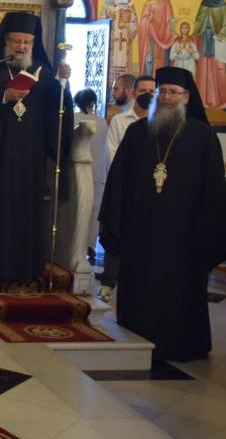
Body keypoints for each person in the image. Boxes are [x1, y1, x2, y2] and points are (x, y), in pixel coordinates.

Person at [99, 67, 226, 361]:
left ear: (187, 97)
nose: (167, 97)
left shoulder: (203, 136)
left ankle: (181, 344)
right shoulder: (136, 133)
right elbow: (118, 182)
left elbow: (213, 190)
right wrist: (116, 224)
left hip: (184, 236)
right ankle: (136, 337)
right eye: (162, 91)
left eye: (173, 92)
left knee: (179, 292)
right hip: (140, 230)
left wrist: (206, 232)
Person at [0, 11, 72, 282]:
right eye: (17, 41)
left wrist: (64, 83)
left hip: (30, 157)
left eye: (27, 42)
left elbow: (58, 109)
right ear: (6, 40)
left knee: (26, 212)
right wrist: (3, 96)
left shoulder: (42, 73)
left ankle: (25, 267)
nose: (22, 47)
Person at [98, 74, 154, 302]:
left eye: (152, 91)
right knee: (115, 230)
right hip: (123, 186)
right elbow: (112, 154)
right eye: (143, 91)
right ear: (133, 93)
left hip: (148, 191)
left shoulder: (159, 122)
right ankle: (108, 282)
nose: (148, 95)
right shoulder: (121, 121)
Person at [73, 89, 107, 263]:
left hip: (77, 168)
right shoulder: (102, 122)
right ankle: (90, 244)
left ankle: (74, 242)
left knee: (77, 206)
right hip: (98, 170)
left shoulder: (73, 119)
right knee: (94, 209)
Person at [138, 0, 176, 75]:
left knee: (163, 59)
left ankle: (162, 78)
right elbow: (143, 21)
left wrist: (172, 32)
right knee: (151, 58)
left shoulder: (166, 1)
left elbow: (170, 19)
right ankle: (150, 78)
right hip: (152, 35)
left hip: (164, 35)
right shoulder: (150, 1)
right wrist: (148, 19)